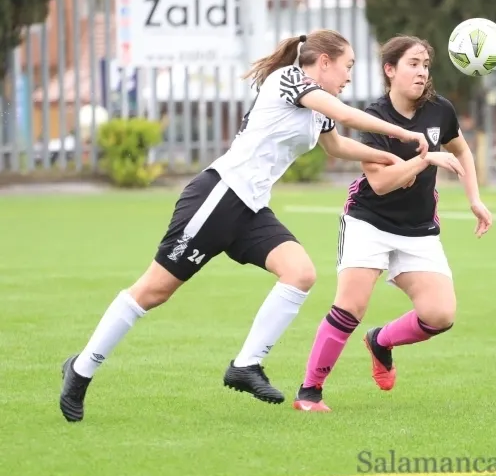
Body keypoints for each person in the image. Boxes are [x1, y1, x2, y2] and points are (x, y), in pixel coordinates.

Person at [58, 29, 432, 423]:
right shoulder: (289, 79)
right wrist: (401, 133)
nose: (350, 76)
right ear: (324, 62)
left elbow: (336, 145)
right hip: (219, 196)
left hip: (251, 209)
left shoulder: (319, 106)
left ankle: (245, 365)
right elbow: (345, 114)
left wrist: (387, 158)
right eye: (347, 66)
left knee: (300, 273)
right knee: (153, 291)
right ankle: (81, 369)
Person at [292, 35, 492, 412]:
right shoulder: (376, 117)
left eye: (426, 65)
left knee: (440, 315)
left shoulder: (440, 110)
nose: (422, 72)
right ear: (390, 70)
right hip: (369, 221)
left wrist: (475, 199)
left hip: (418, 228)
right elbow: (381, 183)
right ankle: (309, 391)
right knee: (350, 306)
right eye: (413, 64)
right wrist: (425, 160)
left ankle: (381, 341)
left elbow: (461, 149)